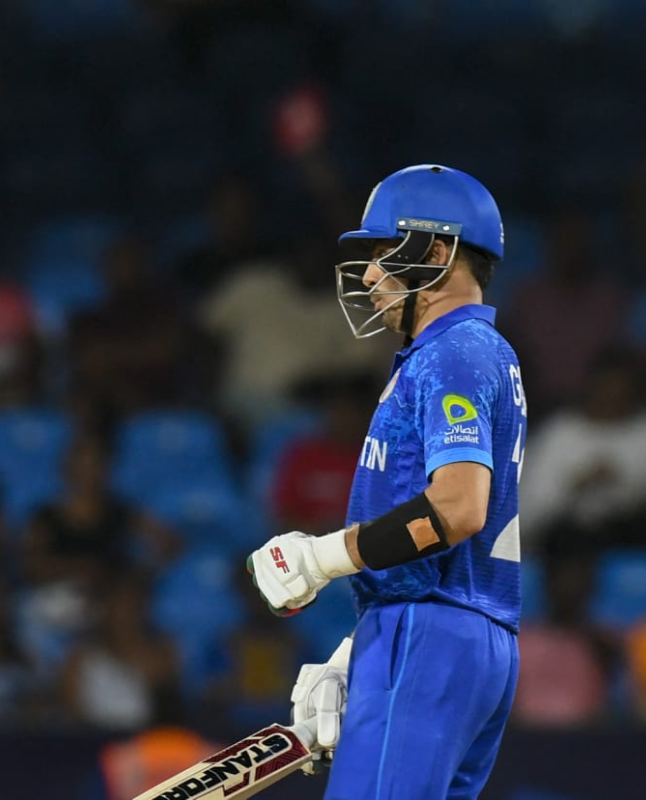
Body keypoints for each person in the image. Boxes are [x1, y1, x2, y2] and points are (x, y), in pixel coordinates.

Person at [246, 164, 524, 799]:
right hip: (448, 630)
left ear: (437, 249)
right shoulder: (476, 352)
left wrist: (321, 559)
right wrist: (361, 652)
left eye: (382, 251)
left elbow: (457, 508)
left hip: (429, 635)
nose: (369, 274)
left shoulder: (454, 351)